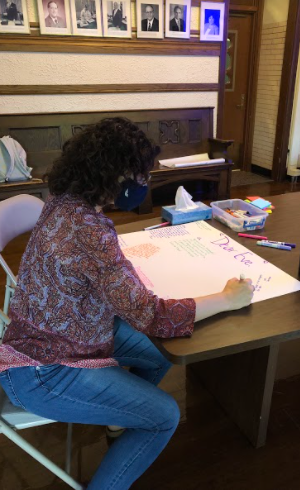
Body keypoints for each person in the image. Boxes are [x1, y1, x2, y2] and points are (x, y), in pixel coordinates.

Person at [0, 118, 254, 490]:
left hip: (63, 333)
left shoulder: (62, 202)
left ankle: (117, 420)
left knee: (156, 355)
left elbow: (97, 276)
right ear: (114, 179)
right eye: (139, 177)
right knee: (165, 415)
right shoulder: (89, 231)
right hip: (43, 370)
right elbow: (155, 317)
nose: (143, 184)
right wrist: (228, 298)